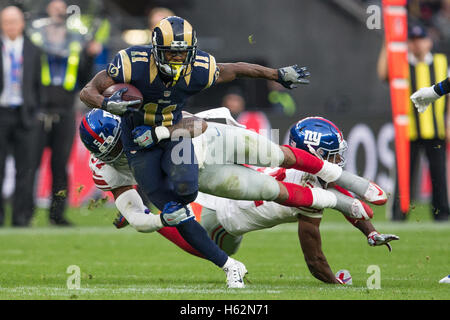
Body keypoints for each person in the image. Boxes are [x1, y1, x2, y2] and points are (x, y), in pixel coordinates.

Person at [113, 116, 399, 284]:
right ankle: (140, 205)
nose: (339, 159)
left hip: (231, 212)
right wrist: (337, 286)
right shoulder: (307, 188)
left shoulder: (303, 170)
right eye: (333, 154)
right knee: (178, 227)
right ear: (313, 153)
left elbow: (344, 197)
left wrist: (370, 233)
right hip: (217, 221)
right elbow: (314, 259)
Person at [30, 0, 102, 226]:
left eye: (62, 9)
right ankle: (25, 213)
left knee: (60, 166)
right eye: (55, 8)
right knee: (30, 165)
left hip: (64, 110)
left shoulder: (74, 42)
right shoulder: (36, 41)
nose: (59, 13)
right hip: (38, 111)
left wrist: (90, 55)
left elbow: (84, 78)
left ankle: (57, 214)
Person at [378, 24, 450, 221]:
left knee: (438, 175)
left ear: (429, 42)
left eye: (420, 40)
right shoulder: (401, 63)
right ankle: (399, 213)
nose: (417, 44)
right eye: (412, 40)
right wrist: (388, 42)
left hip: (435, 128)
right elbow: (383, 74)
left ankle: (442, 213)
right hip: (407, 130)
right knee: (403, 175)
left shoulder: (441, 62)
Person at [0, 6, 41, 227]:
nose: (10, 26)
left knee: (25, 169)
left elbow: (37, 84)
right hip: (2, 113)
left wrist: (36, 111)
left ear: (22, 23)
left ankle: (21, 218)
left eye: (14, 21)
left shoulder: (33, 49)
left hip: (25, 115)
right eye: (6, 21)